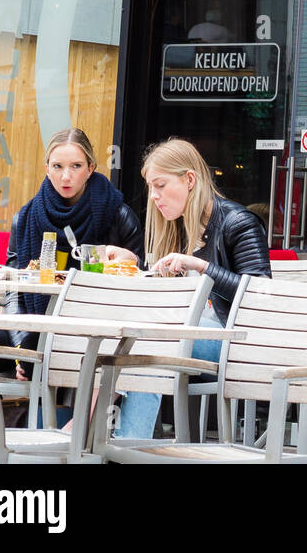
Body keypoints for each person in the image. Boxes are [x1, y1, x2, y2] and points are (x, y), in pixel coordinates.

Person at [0, 130, 141, 397]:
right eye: (57, 166)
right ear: (47, 168)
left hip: (93, 329)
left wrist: (125, 263)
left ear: (91, 168)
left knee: (43, 349)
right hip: (34, 327)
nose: (66, 176)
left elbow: (138, 286)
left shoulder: (117, 214)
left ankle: (51, 425)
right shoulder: (26, 218)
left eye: (76, 166)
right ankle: (1, 425)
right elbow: (13, 287)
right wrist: (22, 343)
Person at [113, 137, 270, 439]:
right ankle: (103, 439)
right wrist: (134, 265)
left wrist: (203, 267)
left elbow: (260, 294)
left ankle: (122, 448)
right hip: (194, 333)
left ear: (189, 179)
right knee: (122, 339)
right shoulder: (179, 225)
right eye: (150, 188)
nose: (154, 196)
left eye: (160, 185)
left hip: (238, 341)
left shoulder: (238, 222)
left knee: (149, 345)